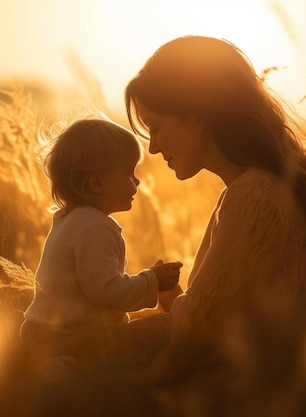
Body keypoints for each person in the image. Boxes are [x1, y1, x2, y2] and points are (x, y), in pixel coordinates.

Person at [96, 35, 306, 416]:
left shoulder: (256, 196)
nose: (153, 148)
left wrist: (92, 346)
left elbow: (197, 334)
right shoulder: (265, 188)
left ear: (197, 116)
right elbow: (215, 320)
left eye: (156, 128)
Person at [20, 117, 182, 397]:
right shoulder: (95, 228)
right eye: (129, 173)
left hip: (50, 337)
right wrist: (152, 281)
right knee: (85, 399)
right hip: (69, 348)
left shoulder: (70, 220)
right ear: (97, 182)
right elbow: (105, 291)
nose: (137, 181)